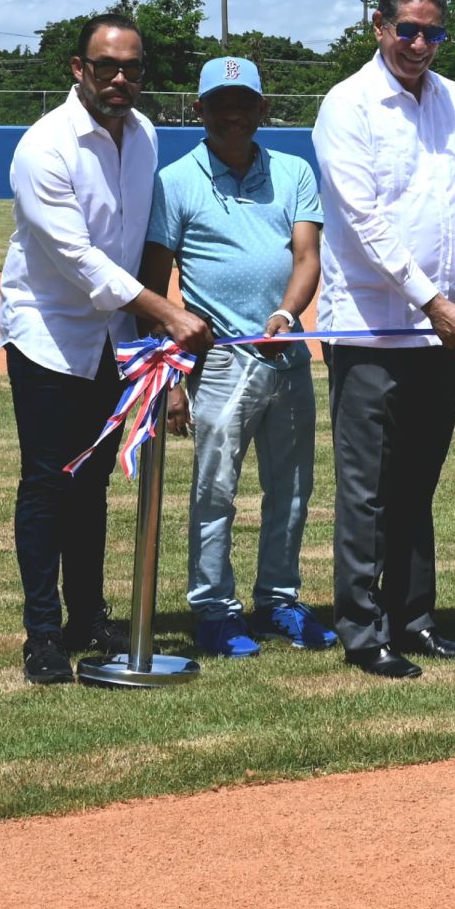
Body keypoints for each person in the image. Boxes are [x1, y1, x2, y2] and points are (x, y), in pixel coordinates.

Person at [0, 13, 213, 687]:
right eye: (105, 66)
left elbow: (139, 242)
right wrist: (168, 314)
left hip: (115, 341)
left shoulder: (144, 136)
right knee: (47, 482)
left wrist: (149, 322)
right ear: (78, 69)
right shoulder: (44, 147)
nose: (120, 78)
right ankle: (42, 636)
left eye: (132, 67)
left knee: (91, 483)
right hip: (50, 335)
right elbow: (81, 263)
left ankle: (88, 615)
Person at [313, 0, 455, 679]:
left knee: (417, 481)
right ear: (379, 25)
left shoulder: (454, 99)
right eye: (408, 29)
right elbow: (364, 219)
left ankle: (416, 617)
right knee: (366, 486)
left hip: (438, 329)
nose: (420, 43)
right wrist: (432, 297)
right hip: (370, 327)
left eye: (433, 32)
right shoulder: (347, 105)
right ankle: (364, 631)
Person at [141, 56, 337, 659]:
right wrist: (171, 379)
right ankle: (214, 609)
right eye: (219, 103)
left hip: (285, 351)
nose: (232, 114)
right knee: (214, 490)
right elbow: (154, 279)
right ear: (198, 110)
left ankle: (278, 600)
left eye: (243, 102)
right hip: (220, 362)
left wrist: (285, 315)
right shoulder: (174, 181)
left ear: (262, 109)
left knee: (293, 488)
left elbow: (307, 257)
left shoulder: (294, 171)